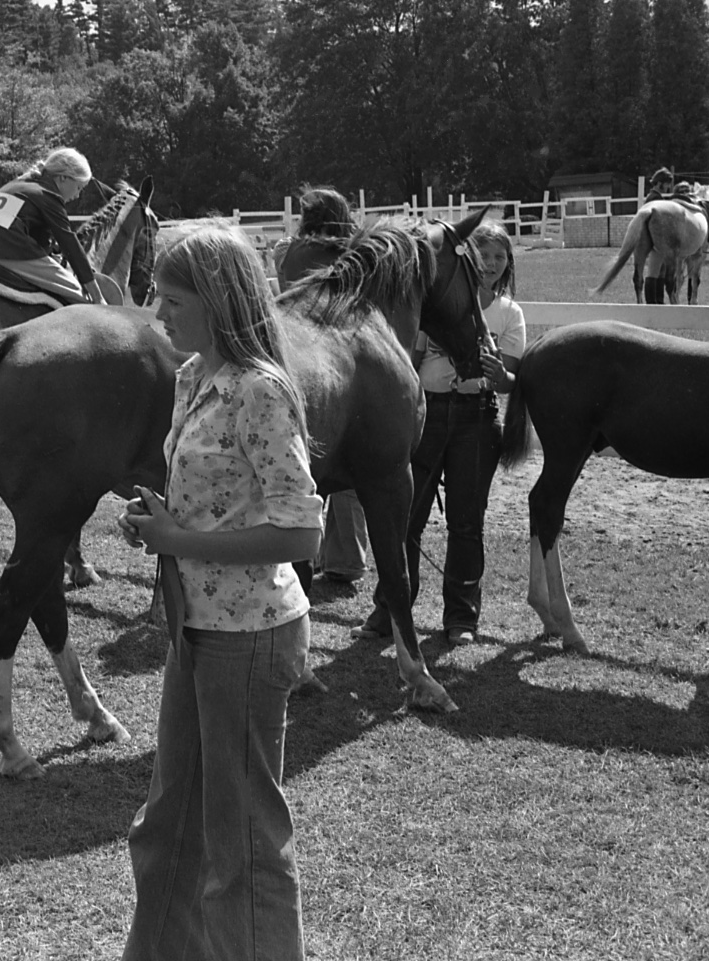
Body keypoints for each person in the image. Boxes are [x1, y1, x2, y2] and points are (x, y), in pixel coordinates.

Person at [117, 224, 322, 961]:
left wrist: (181, 543)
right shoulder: (193, 376)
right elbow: (217, 502)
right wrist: (158, 521)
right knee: (168, 824)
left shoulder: (260, 392)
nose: (157, 312)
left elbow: (302, 537)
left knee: (243, 847)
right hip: (196, 627)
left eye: (172, 298)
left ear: (218, 300)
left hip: (249, 636)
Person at [353, 220, 525, 647]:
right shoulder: (436, 303)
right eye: (484, 255)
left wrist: (498, 374)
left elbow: (510, 380)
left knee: (466, 523)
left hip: (475, 417)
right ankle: (390, 610)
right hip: (428, 413)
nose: (491, 263)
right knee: (405, 519)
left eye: (500, 257)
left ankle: (461, 618)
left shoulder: (508, 313)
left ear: (508, 264)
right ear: (466, 259)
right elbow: (407, 360)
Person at [271, 186, 370, 590]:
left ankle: (303, 550)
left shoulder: (286, 252)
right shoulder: (349, 254)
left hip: (293, 351)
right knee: (348, 465)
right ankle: (346, 559)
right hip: (338, 353)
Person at [0, 146, 102, 303]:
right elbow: (69, 243)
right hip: (9, 249)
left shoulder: (18, 184)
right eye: (79, 187)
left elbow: (35, 233)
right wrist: (97, 296)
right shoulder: (48, 194)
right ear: (63, 178)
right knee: (79, 296)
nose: (77, 195)